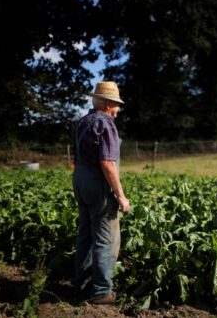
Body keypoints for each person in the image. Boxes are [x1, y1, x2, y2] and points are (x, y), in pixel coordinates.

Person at [72, 81, 130, 304]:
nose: (117, 110)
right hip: (98, 182)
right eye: (116, 105)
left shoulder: (83, 121)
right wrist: (121, 196)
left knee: (86, 233)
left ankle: (83, 285)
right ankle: (102, 292)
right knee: (106, 238)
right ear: (107, 103)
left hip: (80, 179)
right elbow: (107, 163)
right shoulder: (106, 124)